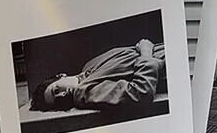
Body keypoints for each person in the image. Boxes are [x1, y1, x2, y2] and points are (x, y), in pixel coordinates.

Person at [30, 37, 164, 115]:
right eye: (58, 101)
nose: (63, 95)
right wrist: (146, 52)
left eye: (56, 90)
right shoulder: (83, 93)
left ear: (61, 76)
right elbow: (139, 92)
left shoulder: (89, 65)